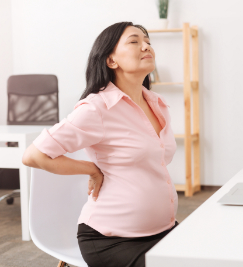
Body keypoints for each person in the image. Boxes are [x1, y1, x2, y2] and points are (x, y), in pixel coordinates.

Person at [22, 21, 179, 267]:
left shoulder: (157, 104)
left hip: (164, 230)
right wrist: (90, 169)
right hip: (112, 240)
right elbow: (34, 156)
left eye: (148, 41)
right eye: (134, 41)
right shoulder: (97, 107)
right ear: (111, 61)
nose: (146, 46)